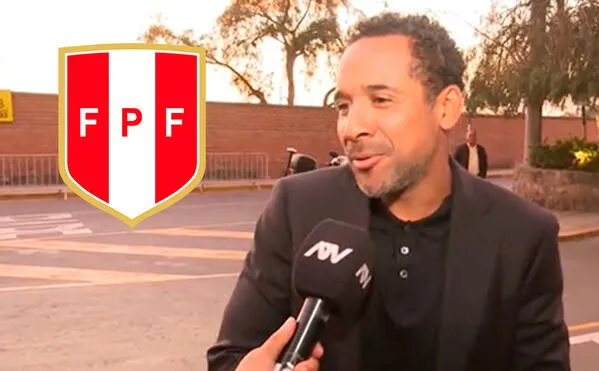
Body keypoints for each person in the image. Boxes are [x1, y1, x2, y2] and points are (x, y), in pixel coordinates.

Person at [207, 11, 571, 371]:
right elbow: (230, 356)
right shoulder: (297, 208)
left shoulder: (522, 235)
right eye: (343, 106)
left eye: (380, 100)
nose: (352, 128)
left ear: (446, 108)